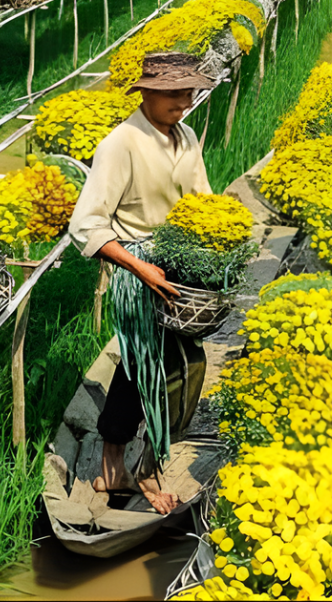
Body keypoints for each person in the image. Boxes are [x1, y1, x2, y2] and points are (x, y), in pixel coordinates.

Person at [69, 52, 216, 514]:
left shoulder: (185, 137)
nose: (184, 103)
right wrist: (141, 269)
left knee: (180, 367)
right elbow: (86, 225)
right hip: (142, 272)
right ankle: (122, 467)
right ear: (147, 93)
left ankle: (142, 461)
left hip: (179, 267)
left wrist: (218, 244)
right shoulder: (121, 144)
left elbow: (202, 202)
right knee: (142, 368)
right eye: (175, 94)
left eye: (188, 93)